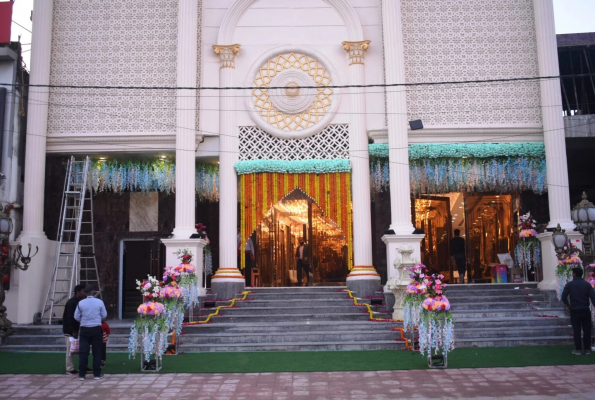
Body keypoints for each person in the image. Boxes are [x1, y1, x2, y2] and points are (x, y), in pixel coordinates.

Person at [74, 283, 107, 380]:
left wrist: (84, 321)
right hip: (96, 328)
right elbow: (104, 315)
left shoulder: (81, 303)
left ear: (85, 293)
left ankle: (82, 374)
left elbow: (76, 316)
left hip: (84, 329)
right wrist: (97, 319)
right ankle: (97, 374)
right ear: (93, 292)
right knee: (97, 352)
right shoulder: (99, 302)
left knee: (83, 352)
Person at [562, 267, 595, 355]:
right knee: (587, 329)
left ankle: (578, 349)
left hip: (574, 309)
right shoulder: (587, 285)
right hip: (585, 309)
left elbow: (564, 297)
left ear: (574, 274)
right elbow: (593, 297)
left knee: (576, 330)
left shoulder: (569, 285)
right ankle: (587, 348)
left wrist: (568, 305)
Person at [62, 284, 85, 375]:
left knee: (79, 350)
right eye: (83, 291)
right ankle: (69, 368)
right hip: (70, 331)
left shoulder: (80, 302)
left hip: (77, 330)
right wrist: (73, 331)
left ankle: (81, 366)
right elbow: (69, 318)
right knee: (70, 350)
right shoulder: (72, 303)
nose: (84, 293)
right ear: (77, 292)